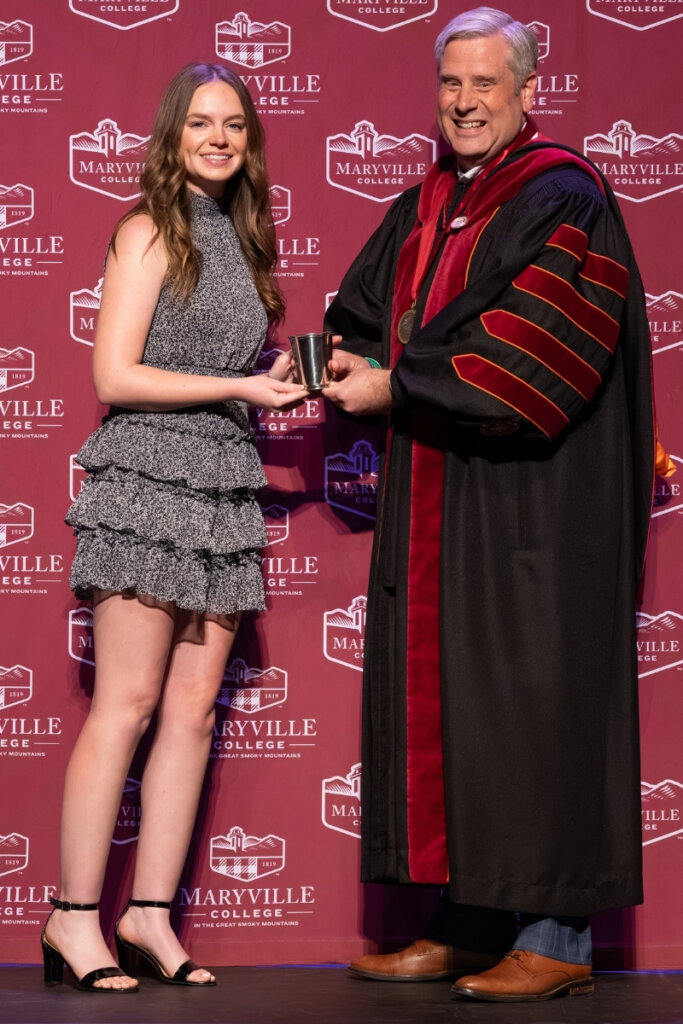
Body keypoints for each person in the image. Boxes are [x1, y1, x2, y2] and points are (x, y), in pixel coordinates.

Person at [323, 7, 655, 1003]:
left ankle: (553, 936)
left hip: (534, 506)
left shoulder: (564, 195)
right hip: (439, 493)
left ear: (525, 91)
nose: (463, 103)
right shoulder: (431, 199)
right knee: (457, 702)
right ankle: (467, 924)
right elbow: (365, 308)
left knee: (529, 700)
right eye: (449, 85)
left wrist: (399, 383)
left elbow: (533, 356)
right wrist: (352, 358)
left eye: (484, 85)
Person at [41, 63, 304, 993]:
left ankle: (149, 913)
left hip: (223, 484)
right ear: (172, 133)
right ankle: (74, 920)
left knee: (192, 713)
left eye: (234, 124)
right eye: (201, 122)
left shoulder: (241, 238)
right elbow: (114, 376)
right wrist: (239, 385)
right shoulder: (148, 226)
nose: (219, 138)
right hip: (148, 475)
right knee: (130, 704)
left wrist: (278, 380)